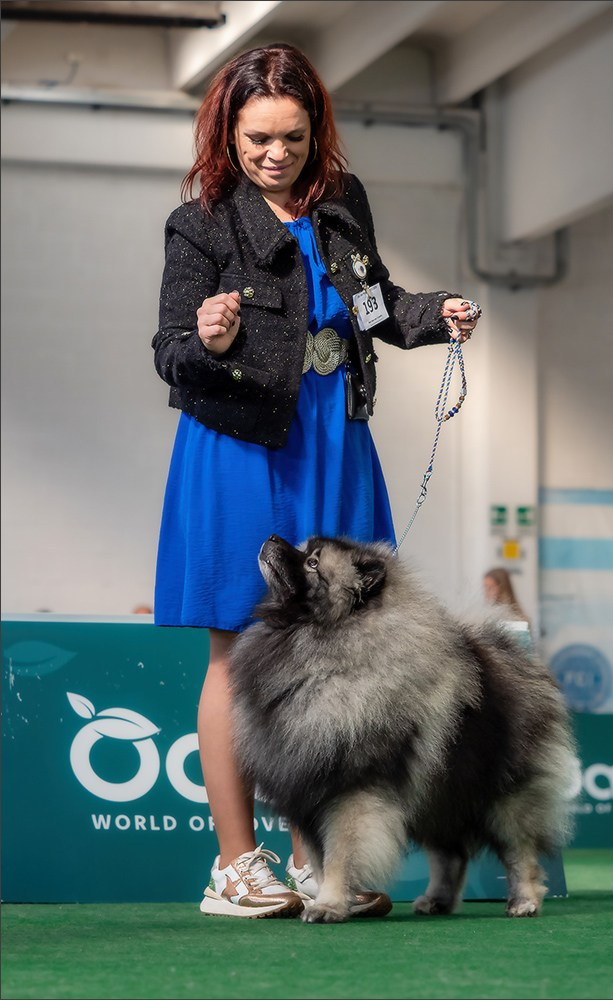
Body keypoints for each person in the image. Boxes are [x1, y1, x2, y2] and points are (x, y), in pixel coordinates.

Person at [151, 41, 482, 920]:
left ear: (314, 129)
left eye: (291, 137)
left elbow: (372, 305)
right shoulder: (202, 225)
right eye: (257, 137)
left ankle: (314, 864)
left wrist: (432, 315)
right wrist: (210, 338)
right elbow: (169, 354)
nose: (274, 154)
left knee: (333, 661)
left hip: (335, 440)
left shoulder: (341, 205)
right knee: (234, 651)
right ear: (229, 128)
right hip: (239, 447)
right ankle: (235, 866)